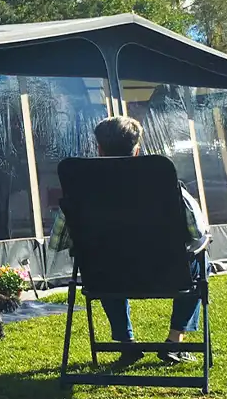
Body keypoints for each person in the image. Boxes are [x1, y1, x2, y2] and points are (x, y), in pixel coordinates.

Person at [49, 115, 209, 365]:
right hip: (166, 274)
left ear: (99, 149)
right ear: (137, 150)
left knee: (99, 259)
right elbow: (198, 233)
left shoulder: (81, 190)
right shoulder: (163, 182)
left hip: (105, 277)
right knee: (201, 258)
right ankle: (174, 342)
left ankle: (127, 344)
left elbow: (58, 241)